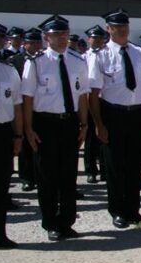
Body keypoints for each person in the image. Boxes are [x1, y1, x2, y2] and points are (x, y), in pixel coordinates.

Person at [87, 9, 141, 228]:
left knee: (134, 164)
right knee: (115, 166)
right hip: (113, 114)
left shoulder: (140, 53)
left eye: (125, 27)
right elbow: (93, 94)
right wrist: (99, 124)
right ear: (108, 29)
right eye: (117, 27)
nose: (122, 31)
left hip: (137, 113)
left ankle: (133, 210)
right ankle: (117, 210)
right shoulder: (101, 55)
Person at [21, 15, 90, 241]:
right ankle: (51, 222)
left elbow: (82, 95)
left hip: (69, 122)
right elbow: (28, 98)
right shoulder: (36, 62)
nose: (61, 38)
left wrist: (84, 123)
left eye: (64, 34)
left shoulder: (78, 60)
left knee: (68, 175)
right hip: (45, 124)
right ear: (46, 37)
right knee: (47, 176)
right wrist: (28, 129)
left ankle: (67, 221)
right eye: (56, 35)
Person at [0, 46, 23, 248]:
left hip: (1, 132)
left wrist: (18, 135)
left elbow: (16, 105)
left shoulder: (8, 70)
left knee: (0, 186)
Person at [10, 28, 42, 192]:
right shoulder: (16, 60)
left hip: (40, 108)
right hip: (22, 108)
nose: (36, 45)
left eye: (38, 42)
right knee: (25, 146)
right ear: (25, 43)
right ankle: (27, 178)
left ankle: (40, 176)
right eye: (32, 42)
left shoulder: (44, 60)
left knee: (40, 145)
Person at [82, 24, 108, 184]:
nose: (97, 41)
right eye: (94, 38)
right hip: (88, 100)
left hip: (104, 100)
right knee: (91, 137)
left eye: (100, 38)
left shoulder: (106, 55)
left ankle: (105, 169)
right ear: (88, 39)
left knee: (105, 137)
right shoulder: (82, 58)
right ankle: (91, 170)